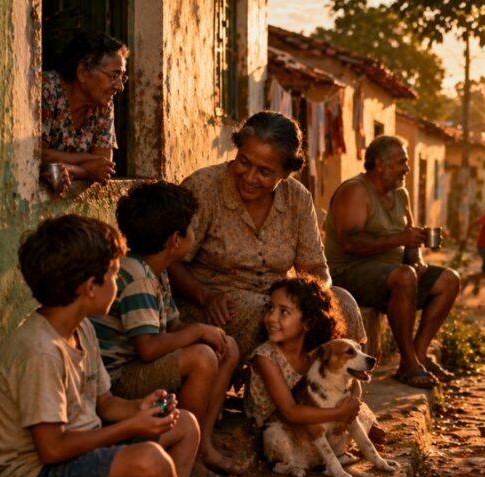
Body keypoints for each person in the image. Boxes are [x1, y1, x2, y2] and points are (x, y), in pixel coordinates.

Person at [0, 215, 260, 477]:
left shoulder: (81, 328)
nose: (118, 281)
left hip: (76, 455)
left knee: (185, 425)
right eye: (114, 275)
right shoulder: (40, 350)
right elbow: (51, 450)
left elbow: (105, 403)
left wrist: (140, 410)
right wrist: (131, 429)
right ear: (89, 287)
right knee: (149, 460)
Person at [168, 111, 365, 365]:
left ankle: (337, 392)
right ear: (237, 149)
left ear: (286, 173)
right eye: (244, 162)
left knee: (343, 304)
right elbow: (168, 258)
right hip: (213, 306)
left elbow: (315, 267)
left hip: (282, 303)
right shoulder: (205, 187)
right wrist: (205, 296)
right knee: (267, 314)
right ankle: (272, 397)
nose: (250, 177)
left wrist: (312, 300)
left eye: (264, 171)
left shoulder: (297, 198)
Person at [92, 182, 245, 477]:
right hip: (118, 381)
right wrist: (200, 332)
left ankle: (203, 444)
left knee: (226, 346)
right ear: (176, 240)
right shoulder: (135, 276)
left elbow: (172, 325)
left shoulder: (156, 270)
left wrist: (208, 333)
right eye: (190, 229)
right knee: (202, 356)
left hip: (138, 366)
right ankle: (185, 452)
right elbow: (148, 348)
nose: (192, 234)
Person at [324, 135, 461, 389]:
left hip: (395, 273)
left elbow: (410, 239)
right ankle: (407, 363)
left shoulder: (401, 195)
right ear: (380, 164)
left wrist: (416, 257)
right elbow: (350, 243)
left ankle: (419, 353)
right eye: (401, 162)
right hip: (349, 273)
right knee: (405, 275)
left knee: (449, 279)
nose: (407, 169)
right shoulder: (355, 190)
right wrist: (400, 240)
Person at [247, 278, 380, 449]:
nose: (271, 317)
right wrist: (340, 413)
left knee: (359, 419)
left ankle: (342, 447)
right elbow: (290, 412)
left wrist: (349, 409)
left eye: (284, 312)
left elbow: (353, 382)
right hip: (280, 426)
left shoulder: (319, 351)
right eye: (271, 308)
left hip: (315, 411)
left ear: (308, 323)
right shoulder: (266, 357)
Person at [41, 31, 127, 187]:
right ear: (82, 72)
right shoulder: (47, 88)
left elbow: (103, 165)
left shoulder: (104, 104)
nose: (120, 86)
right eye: (114, 76)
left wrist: (73, 169)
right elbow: (37, 154)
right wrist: (88, 162)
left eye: (122, 78)